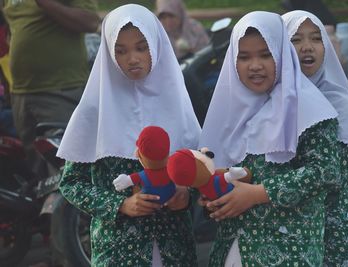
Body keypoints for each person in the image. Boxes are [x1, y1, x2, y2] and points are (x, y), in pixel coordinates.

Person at [57, 4, 201, 266]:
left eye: (141, 47)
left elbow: (201, 172)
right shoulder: (95, 108)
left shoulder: (176, 101)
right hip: (118, 251)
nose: (132, 58)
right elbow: (71, 183)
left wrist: (186, 195)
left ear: (156, 46)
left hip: (175, 249)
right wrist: (119, 205)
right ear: (109, 53)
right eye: (120, 51)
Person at [198, 11, 342, 266]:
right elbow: (238, 173)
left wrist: (258, 193)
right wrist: (214, 192)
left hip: (288, 251)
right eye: (244, 57)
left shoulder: (310, 107)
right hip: (234, 247)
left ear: (281, 54)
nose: (255, 65)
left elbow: (326, 171)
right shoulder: (230, 112)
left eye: (265, 54)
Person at [282, 10, 348, 266]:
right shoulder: (276, 102)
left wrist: (261, 191)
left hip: (334, 229)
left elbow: (335, 174)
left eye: (316, 39)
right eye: (296, 40)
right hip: (290, 232)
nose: (307, 47)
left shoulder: (337, 101)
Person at [1, 0, 100, 178]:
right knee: (38, 171)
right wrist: (10, 89)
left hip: (61, 90)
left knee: (69, 168)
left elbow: (90, 22)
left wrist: (46, 3)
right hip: (21, 94)